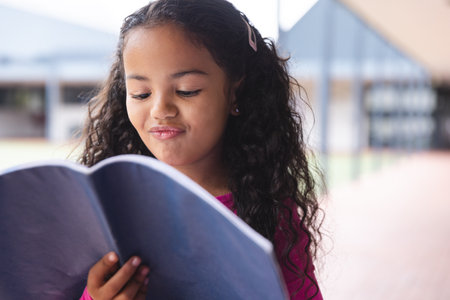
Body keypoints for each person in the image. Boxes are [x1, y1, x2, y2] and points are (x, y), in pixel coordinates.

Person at [78, 0, 324, 299]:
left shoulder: (270, 213)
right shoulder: (110, 206)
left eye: (187, 90)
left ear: (235, 90)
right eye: (140, 93)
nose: (160, 110)